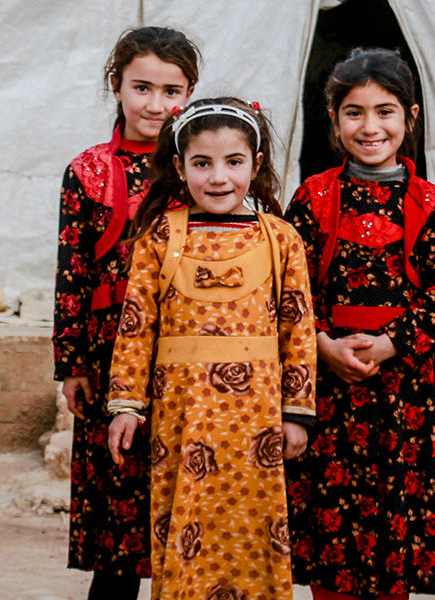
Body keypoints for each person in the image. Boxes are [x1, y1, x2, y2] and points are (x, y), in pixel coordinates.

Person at [104, 97, 318, 600]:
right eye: (202, 163)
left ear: (256, 164)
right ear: (180, 167)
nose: (218, 177)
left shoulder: (281, 239)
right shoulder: (160, 235)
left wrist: (297, 412)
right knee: (184, 528)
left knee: (252, 530)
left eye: (233, 162)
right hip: (182, 420)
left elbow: (299, 331)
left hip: (257, 424)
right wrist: (126, 405)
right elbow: (137, 327)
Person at [282, 48, 435, 600]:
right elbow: (290, 290)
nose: (370, 126)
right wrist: (321, 347)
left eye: (385, 111)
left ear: (409, 117)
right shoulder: (312, 197)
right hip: (326, 389)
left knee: (394, 530)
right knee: (328, 530)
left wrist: (388, 346)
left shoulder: (432, 205)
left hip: (403, 393)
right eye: (354, 112)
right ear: (334, 122)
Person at [53, 26, 200, 600]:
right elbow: (71, 273)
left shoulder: (202, 166)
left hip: (185, 352)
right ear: (117, 86)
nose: (157, 105)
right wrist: (71, 364)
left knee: (184, 498)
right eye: (143, 87)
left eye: (173, 90)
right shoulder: (86, 171)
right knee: (117, 515)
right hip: (108, 351)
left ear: (190, 93)